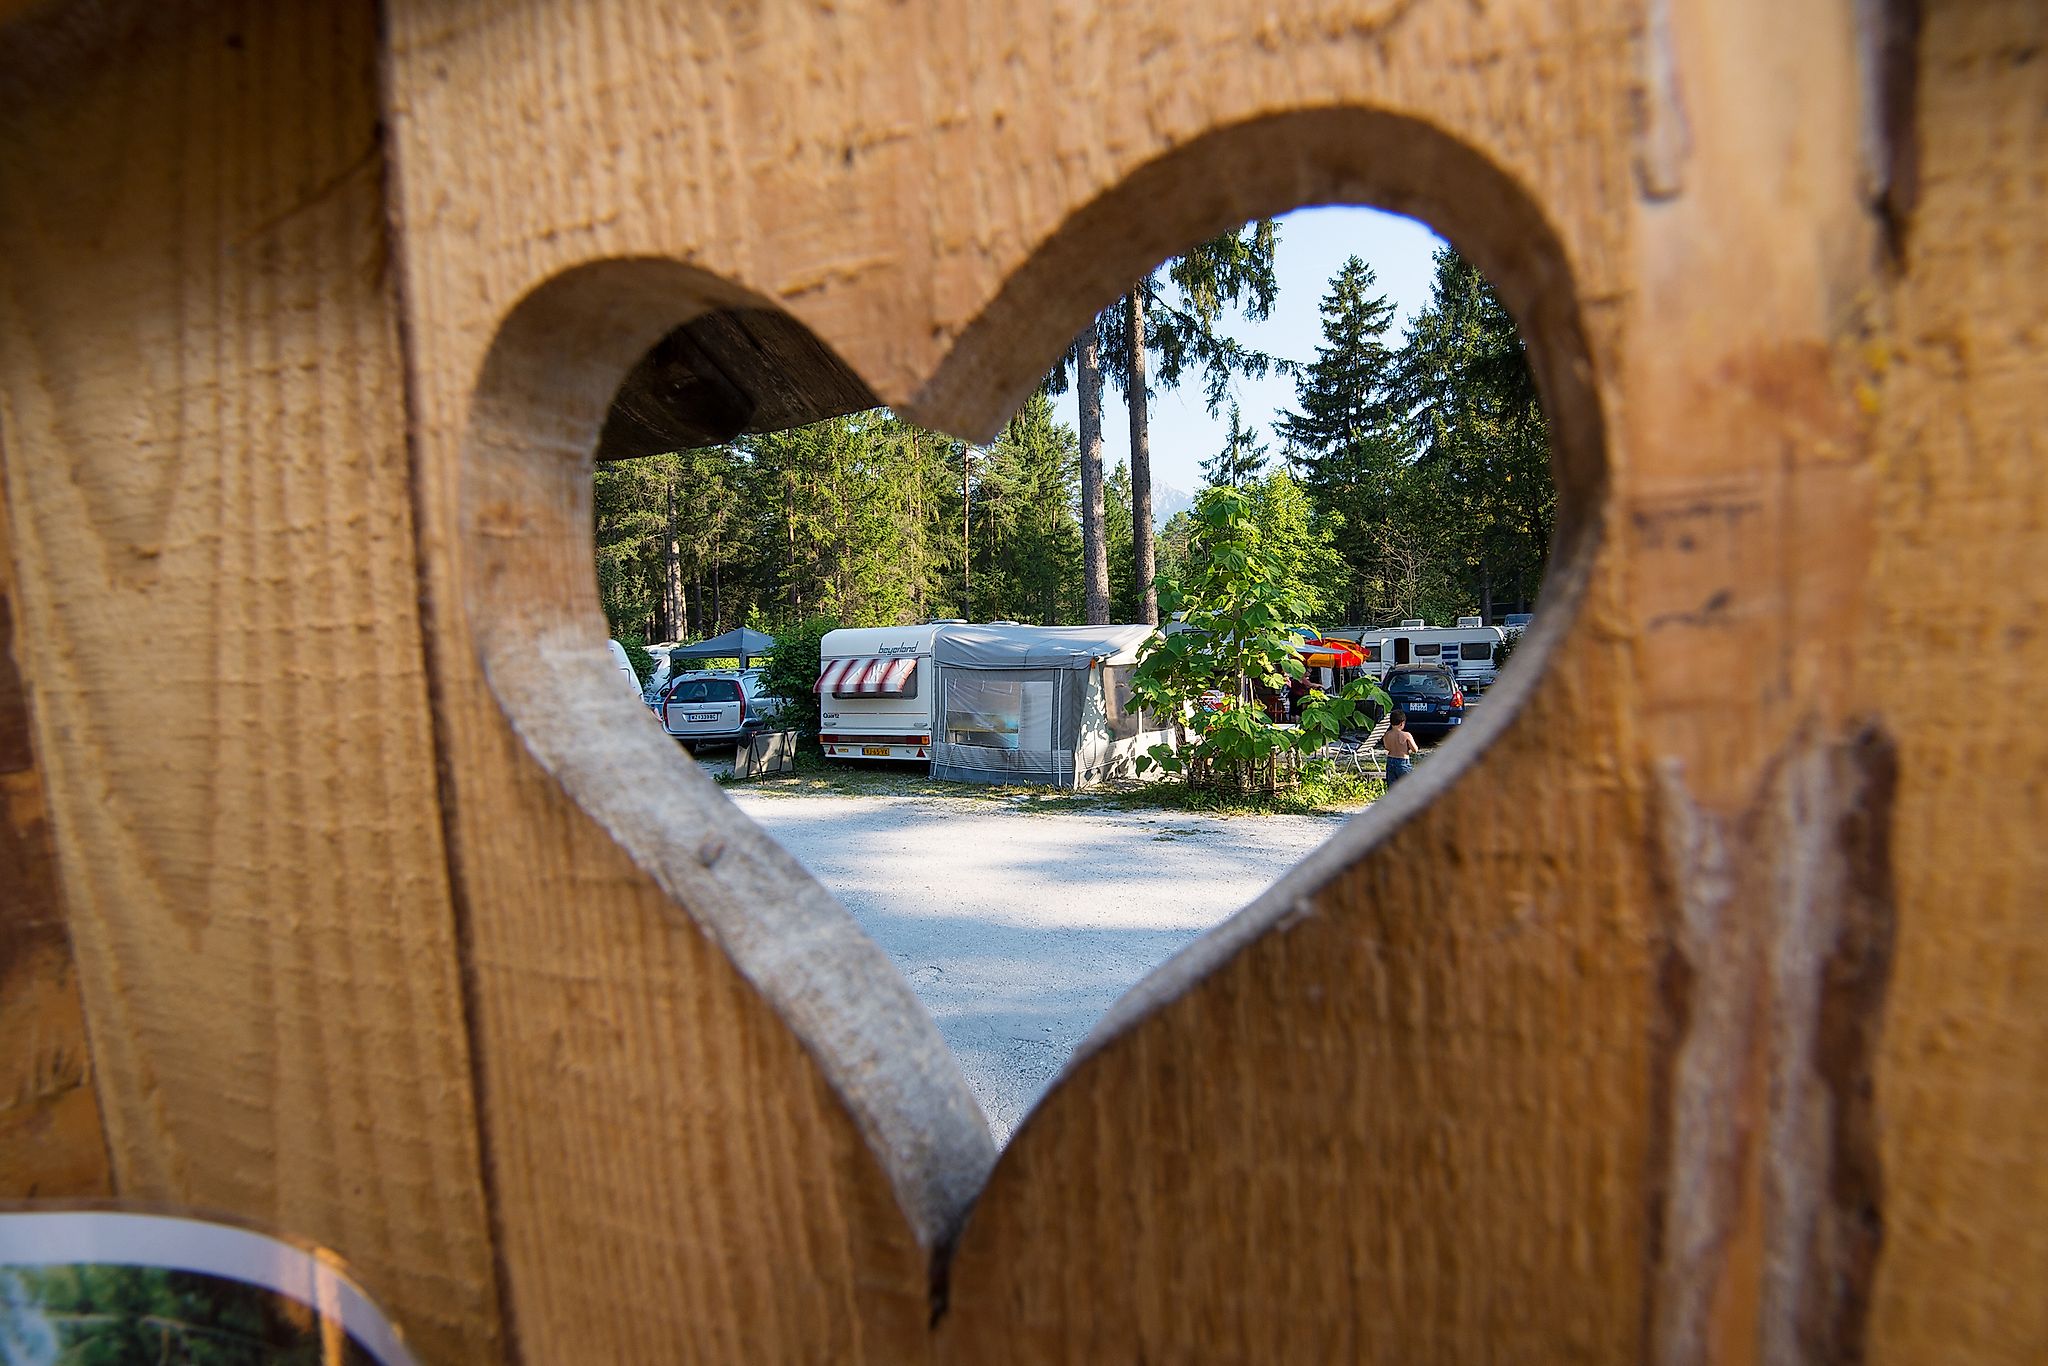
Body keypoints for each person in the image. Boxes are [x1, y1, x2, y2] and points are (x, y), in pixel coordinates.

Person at [1379, 708, 1420, 786]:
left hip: (1390, 761)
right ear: (1402, 723)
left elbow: (1387, 747)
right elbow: (1415, 749)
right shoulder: (1406, 735)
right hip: (1402, 762)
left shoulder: (1387, 735)